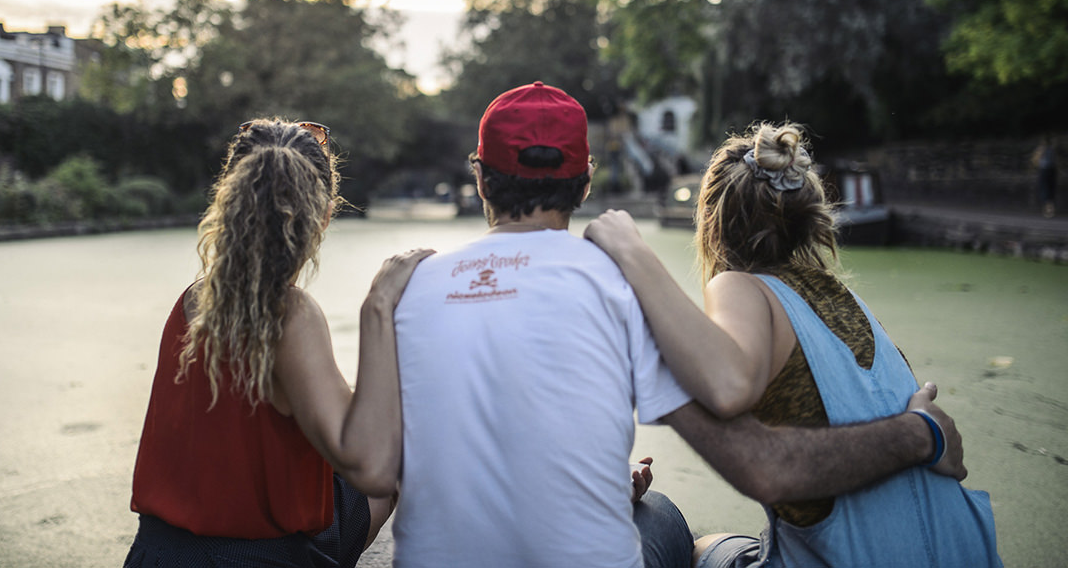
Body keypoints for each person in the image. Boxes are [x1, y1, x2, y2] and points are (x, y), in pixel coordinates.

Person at [391, 83, 970, 568]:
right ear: (585, 181)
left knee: (685, 533)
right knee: (677, 523)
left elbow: (750, 440)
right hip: (942, 543)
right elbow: (749, 443)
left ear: (481, 178)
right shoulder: (843, 300)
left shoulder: (414, 285)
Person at [586, 121, 1002, 568]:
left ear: (709, 220)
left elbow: (729, 388)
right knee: (713, 545)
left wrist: (634, 254)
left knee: (663, 525)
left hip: (845, 555)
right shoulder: (846, 300)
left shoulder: (740, 286)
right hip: (956, 549)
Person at [123, 118, 432, 568]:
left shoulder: (194, 297)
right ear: (324, 216)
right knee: (381, 469)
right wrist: (379, 308)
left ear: (227, 201)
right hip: (255, 559)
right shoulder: (291, 316)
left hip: (157, 554)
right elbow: (370, 465)